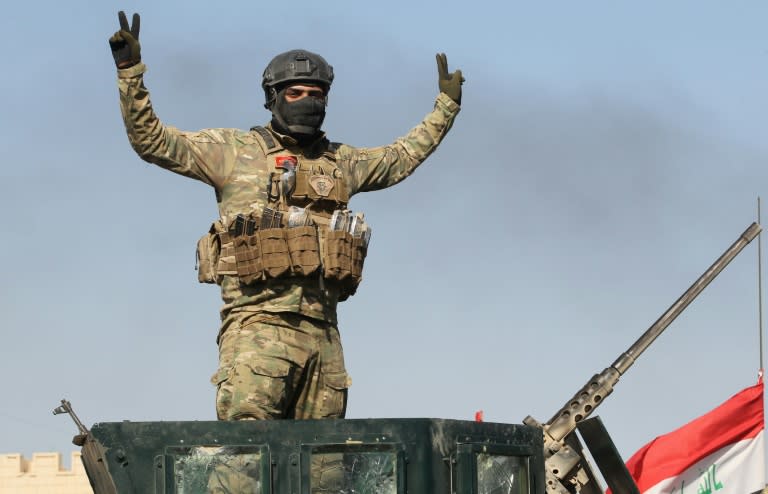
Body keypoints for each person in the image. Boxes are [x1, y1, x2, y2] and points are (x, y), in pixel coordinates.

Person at [108, 11, 463, 422]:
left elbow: (401, 158)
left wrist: (446, 107)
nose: (308, 101)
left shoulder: (341, 163)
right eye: (295, 93)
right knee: (248, 463)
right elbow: (151, 140)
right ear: (273, 97)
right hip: (258, 327)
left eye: (316, 93)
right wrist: (129, 72)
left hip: (323, 335)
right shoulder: (233, 151)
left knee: (325, 471)